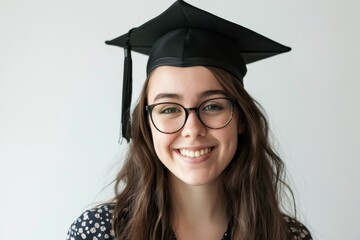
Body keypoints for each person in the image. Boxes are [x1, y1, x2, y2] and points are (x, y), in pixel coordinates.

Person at [66, 1, 312, 239]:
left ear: (241, 120)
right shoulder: (100, 233)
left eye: (213, 106)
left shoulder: (287, 235)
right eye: (169, 109)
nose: (193, 130)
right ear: (147, 123)